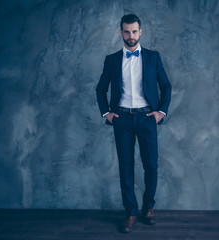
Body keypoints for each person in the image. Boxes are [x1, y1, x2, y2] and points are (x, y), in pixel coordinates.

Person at [96, 14, 172, 233]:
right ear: (121, 32)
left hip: (147, 118)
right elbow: (100, 89)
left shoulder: (153, 57)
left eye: (134, 31)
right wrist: (106, 113)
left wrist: (161, 112)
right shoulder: (111, 60)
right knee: (126, 167)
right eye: (127, 31)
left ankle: (148, 208)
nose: (131, 36)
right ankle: (130, 212)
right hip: (122, 119)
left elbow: (166, 86)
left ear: (141, 32)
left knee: (151, 166)